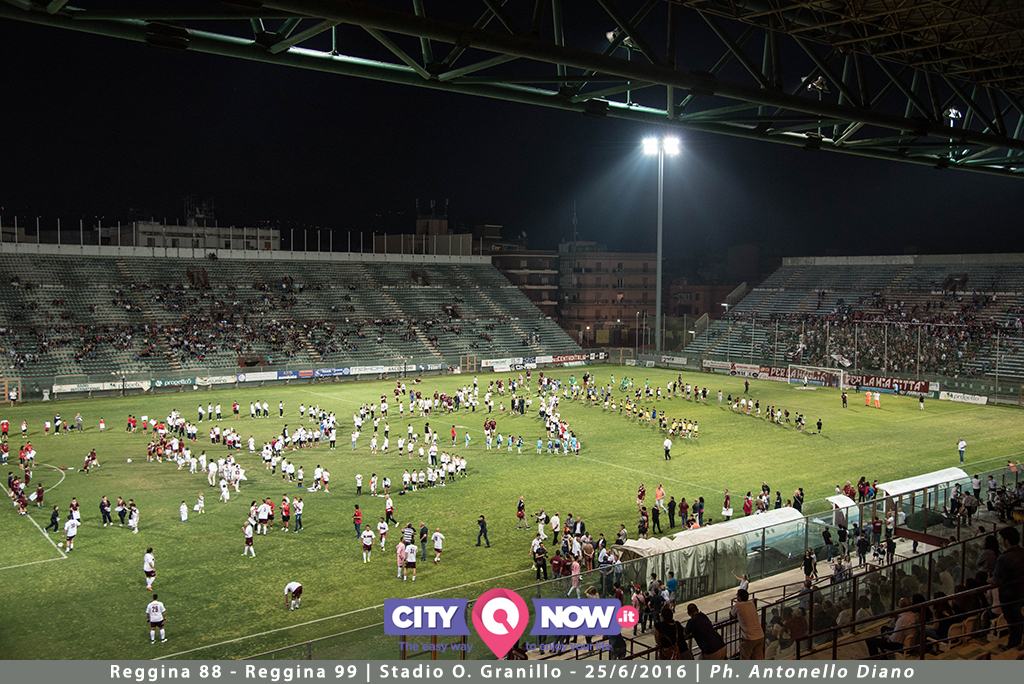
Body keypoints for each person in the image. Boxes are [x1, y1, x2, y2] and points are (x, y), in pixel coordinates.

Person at [993, 526, 1024, 648]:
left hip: (1009, 595)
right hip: (1021, 592)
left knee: (1013, 621)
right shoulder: (1022, 552)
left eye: (1002, 539)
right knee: (1018, 619)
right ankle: (1016, 643)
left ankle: (1013, 645)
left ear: (1006, 541)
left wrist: (990, 580)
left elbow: (996, 580)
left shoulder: (1004, 558)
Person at [730, 589, 764, 659]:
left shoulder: (738, 605)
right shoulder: (751, 603)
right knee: (758, 658)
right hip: (760, 635)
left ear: (739, 597)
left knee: (744, 658)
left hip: (749, 638)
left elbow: (732, 615)